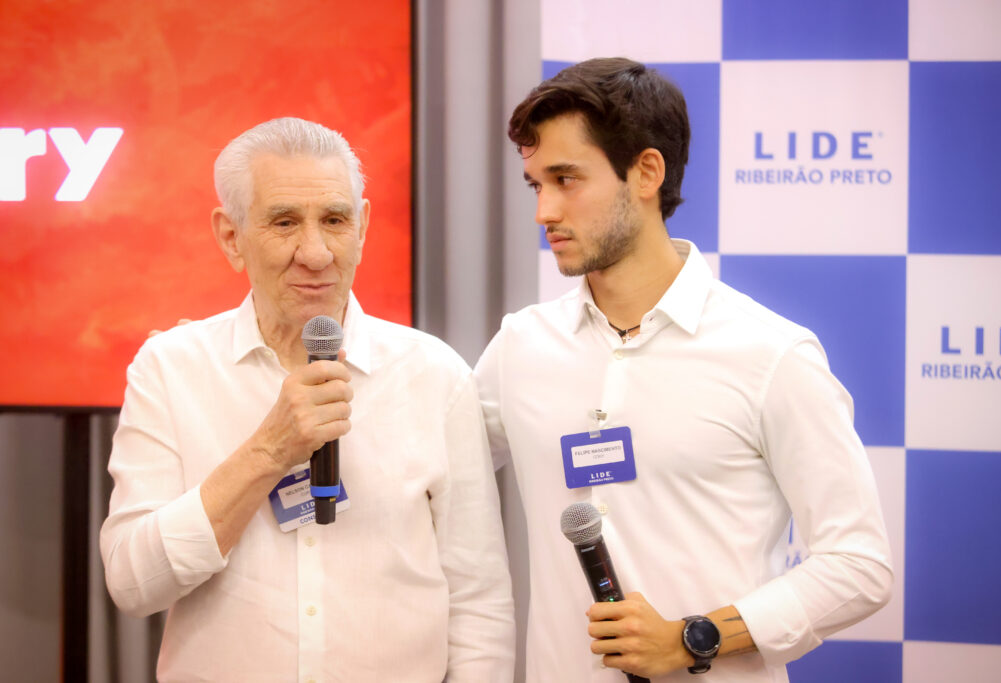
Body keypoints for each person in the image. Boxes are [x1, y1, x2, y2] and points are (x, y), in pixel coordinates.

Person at [474, 58, 892, 681]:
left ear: (646, 172)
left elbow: (860, 564)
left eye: (566, 179)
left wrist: (697, 636)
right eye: (537, 185)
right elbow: (426, 474)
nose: (545, 212)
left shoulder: (771, 354)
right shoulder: (520, 346)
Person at [100, 117, 515, 682]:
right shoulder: (171, 369)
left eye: (335, 220)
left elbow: (478, 600)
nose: (316, 253)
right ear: (231, 236)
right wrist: (269, 451)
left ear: (363, 227)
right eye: (285, 222)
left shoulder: (434, 374)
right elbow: (133, 584)